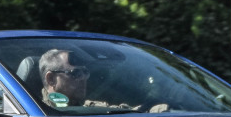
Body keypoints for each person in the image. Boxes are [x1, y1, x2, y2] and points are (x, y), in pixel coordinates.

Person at [37, 48, 166, 112]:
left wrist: (157, 110)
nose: (83, 78)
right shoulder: (38, 113)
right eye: (75, 73)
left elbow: (130, 113)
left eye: (85, 72)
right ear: (51, 79)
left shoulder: (91, 109)